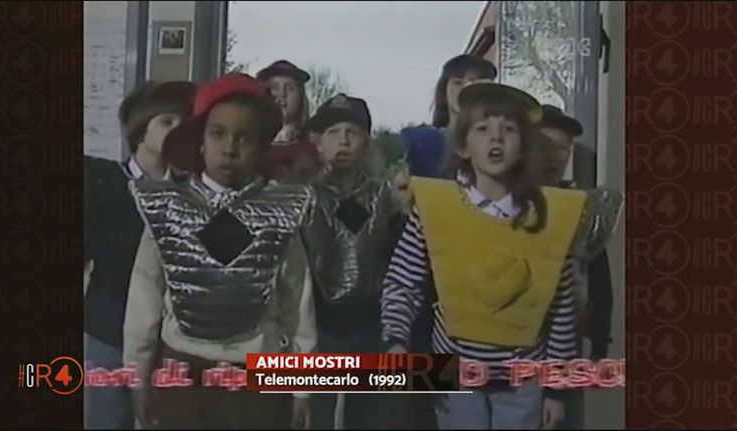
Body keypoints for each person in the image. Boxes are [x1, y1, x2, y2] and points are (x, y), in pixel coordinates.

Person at [380, 82, 623, 429]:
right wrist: (396, 340)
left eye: (508, 129)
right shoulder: (435, 208)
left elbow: (560, 308)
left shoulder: (553, 217)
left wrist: (555, 388)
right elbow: (403, 281)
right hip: (454, 373)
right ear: (463, 146)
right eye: (482, 129)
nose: (496, 137)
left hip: (523, 378)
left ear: (523, 147)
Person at [123, 73, 316, 429]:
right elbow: (144, 298)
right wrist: (138, 376)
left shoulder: (280, 214)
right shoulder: (169, 209)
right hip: (181, 374)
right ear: (200, 142)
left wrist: (301, 389)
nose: (230, 147)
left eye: (245, 138)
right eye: (218, 134)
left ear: (262, 148)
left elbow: (297, 308)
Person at [83, 80, 196, 430]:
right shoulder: (103, 182)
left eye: (184, 124)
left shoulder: (191, 194)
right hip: (110, 330)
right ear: (139, 129)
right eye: (166, 121)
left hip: (170, 340)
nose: (177, 131)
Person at [300, 94, 404, 429]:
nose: (343, 141)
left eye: (353, 132)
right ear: (317, 143)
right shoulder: (304, 197)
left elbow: (397, 258)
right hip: (320, 325)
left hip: (370, 323)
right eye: (333, 132)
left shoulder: (384, 197)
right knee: (319, 412)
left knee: (367, 413)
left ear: (366, 143)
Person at [534, 104, 614, 360]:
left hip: (566, 346)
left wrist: (599, 345)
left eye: (563, 147)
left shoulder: (581, 209)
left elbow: (601, 284)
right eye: (545, 145)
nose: (555, 156)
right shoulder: (502, 202)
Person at [401, 54, 497, 179]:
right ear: (444, 93)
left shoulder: (502, 144)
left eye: (475, 83)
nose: (466, 88)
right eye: (458, 82)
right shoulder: (417, 141)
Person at [256, 60, 320, 182]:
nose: (282, 94)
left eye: (290, 88)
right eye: (274, 88)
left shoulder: (314, 145)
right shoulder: (252, 142)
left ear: (301, 97)